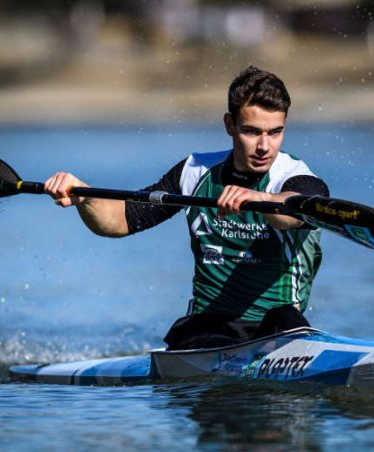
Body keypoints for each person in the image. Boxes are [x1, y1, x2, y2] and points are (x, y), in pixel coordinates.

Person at [44, 65, 330, 350]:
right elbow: (119, 221)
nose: (264, 146)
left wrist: (259, 200)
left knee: (283, 318)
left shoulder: (295, 177)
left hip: (279, 328)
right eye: (252, 132)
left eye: (275, 132)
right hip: (209, 328)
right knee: (199, 332)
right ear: (229, 125)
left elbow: (295, 211)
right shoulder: (194, 171)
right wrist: (85, 197)